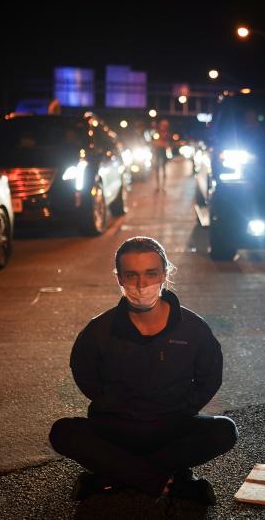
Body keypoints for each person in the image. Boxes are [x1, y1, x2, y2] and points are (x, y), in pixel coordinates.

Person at [49, 237, 237, 504]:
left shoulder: (193, 328)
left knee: (224, 431)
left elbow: (210, 377)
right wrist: (114, 405)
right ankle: (168, 481)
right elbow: (85, 376)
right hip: (116, 428)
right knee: (63, 432)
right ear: (119, 279)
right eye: (131, 275)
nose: (141, 284)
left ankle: (117, 473)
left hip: (173, 427)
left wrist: (182, 407)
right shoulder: (99, 330)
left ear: (164, 274)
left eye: (151, 273)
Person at [152, 118, 172, 191]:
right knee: (157, 168)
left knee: (163, 168)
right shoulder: (157, 132)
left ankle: (163, 186)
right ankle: (158, 185)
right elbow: (154, 140)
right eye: (162, 125)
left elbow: (168, 142)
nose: (163, 127)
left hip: (163, 151)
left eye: (165, 125)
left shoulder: (167, 133)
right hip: (157, 150)